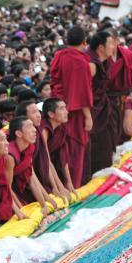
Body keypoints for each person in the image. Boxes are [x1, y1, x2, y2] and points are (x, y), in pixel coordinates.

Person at [49, 26, 92, 187]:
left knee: (62, 148)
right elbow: (82, 91)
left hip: (57, 109)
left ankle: (64, 186)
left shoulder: (60, 55)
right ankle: (74, 185)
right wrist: (88, 116)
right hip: (74, 112)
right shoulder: (80, 61)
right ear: (84, 41)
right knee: (74, 151)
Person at [87, 31, 119, 174]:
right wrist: (87, 114)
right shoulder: (92, 65)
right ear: (101, 47)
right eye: (111, 43)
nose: (114, 46)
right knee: (97, 144)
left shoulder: (105, 61)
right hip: (91, 110)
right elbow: (82, 91)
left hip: (102, 106)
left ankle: (106, 171)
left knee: (107, 140)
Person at [7, 116, 52, 215]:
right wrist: (21, 210)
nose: (34, 130)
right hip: (5, 197)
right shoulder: (10, 155)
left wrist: (44, 204)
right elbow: (6, 188)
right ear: (18, 133)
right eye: (29, 127)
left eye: (33, 126)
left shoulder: (29, 147)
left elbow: (31, 178)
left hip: (18, 192)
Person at [41, 97, 75, 192]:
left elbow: (63, 157)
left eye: (65, 108)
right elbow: (44, 159)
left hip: (52, 169)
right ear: (51, 114)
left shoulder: (61, 128)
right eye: (61, 109)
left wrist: (69, 183)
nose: (66, 112)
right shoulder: (43, 129)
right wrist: (58, 187)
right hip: (40, 169)